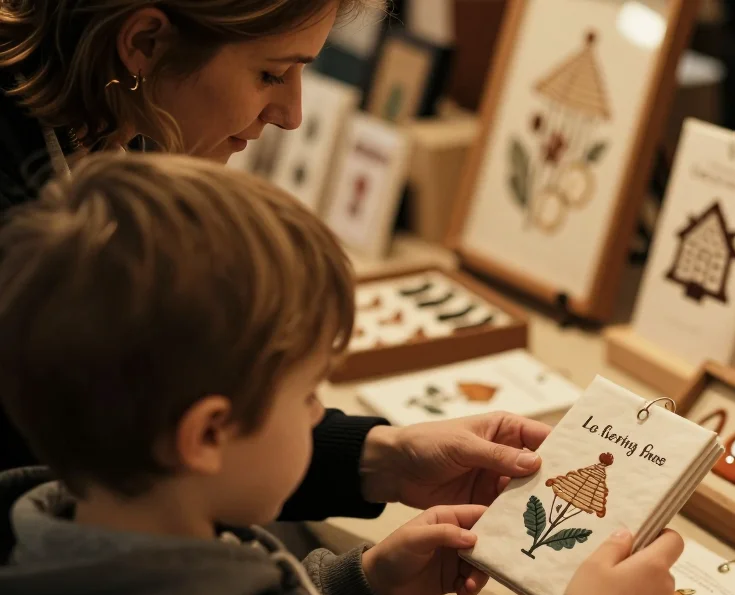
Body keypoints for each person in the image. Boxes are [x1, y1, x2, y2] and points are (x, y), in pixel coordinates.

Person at [0, 153, 685, 595]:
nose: (318, 413)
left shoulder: (47, 556)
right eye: (306, 395)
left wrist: (358, 585)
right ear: (208, 434)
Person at [0, 0, 545, 557]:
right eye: (271, 74)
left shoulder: (121, 123)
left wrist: (380, 456)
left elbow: (147, 432)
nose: (292, 115)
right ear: (144, 43)